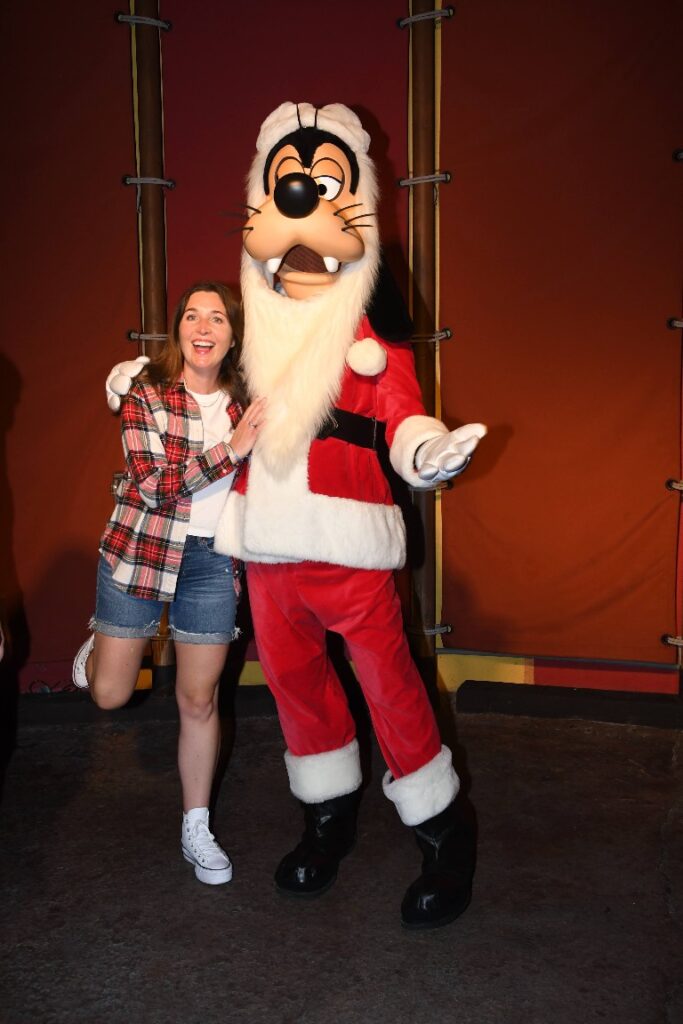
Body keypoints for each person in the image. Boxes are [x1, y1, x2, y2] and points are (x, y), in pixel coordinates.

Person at [73, 281, 265, 886]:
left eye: (218, 318)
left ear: (234, 335)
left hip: (210, 563)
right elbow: (154, 483)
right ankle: (102, 648)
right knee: (109, 695)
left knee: (198, 700)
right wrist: (232, 451)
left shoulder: (249, 403)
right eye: (192, 316)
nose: (203, 327)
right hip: (140, 550)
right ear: (177, 329)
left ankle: (196, 824)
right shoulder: (146, 394)